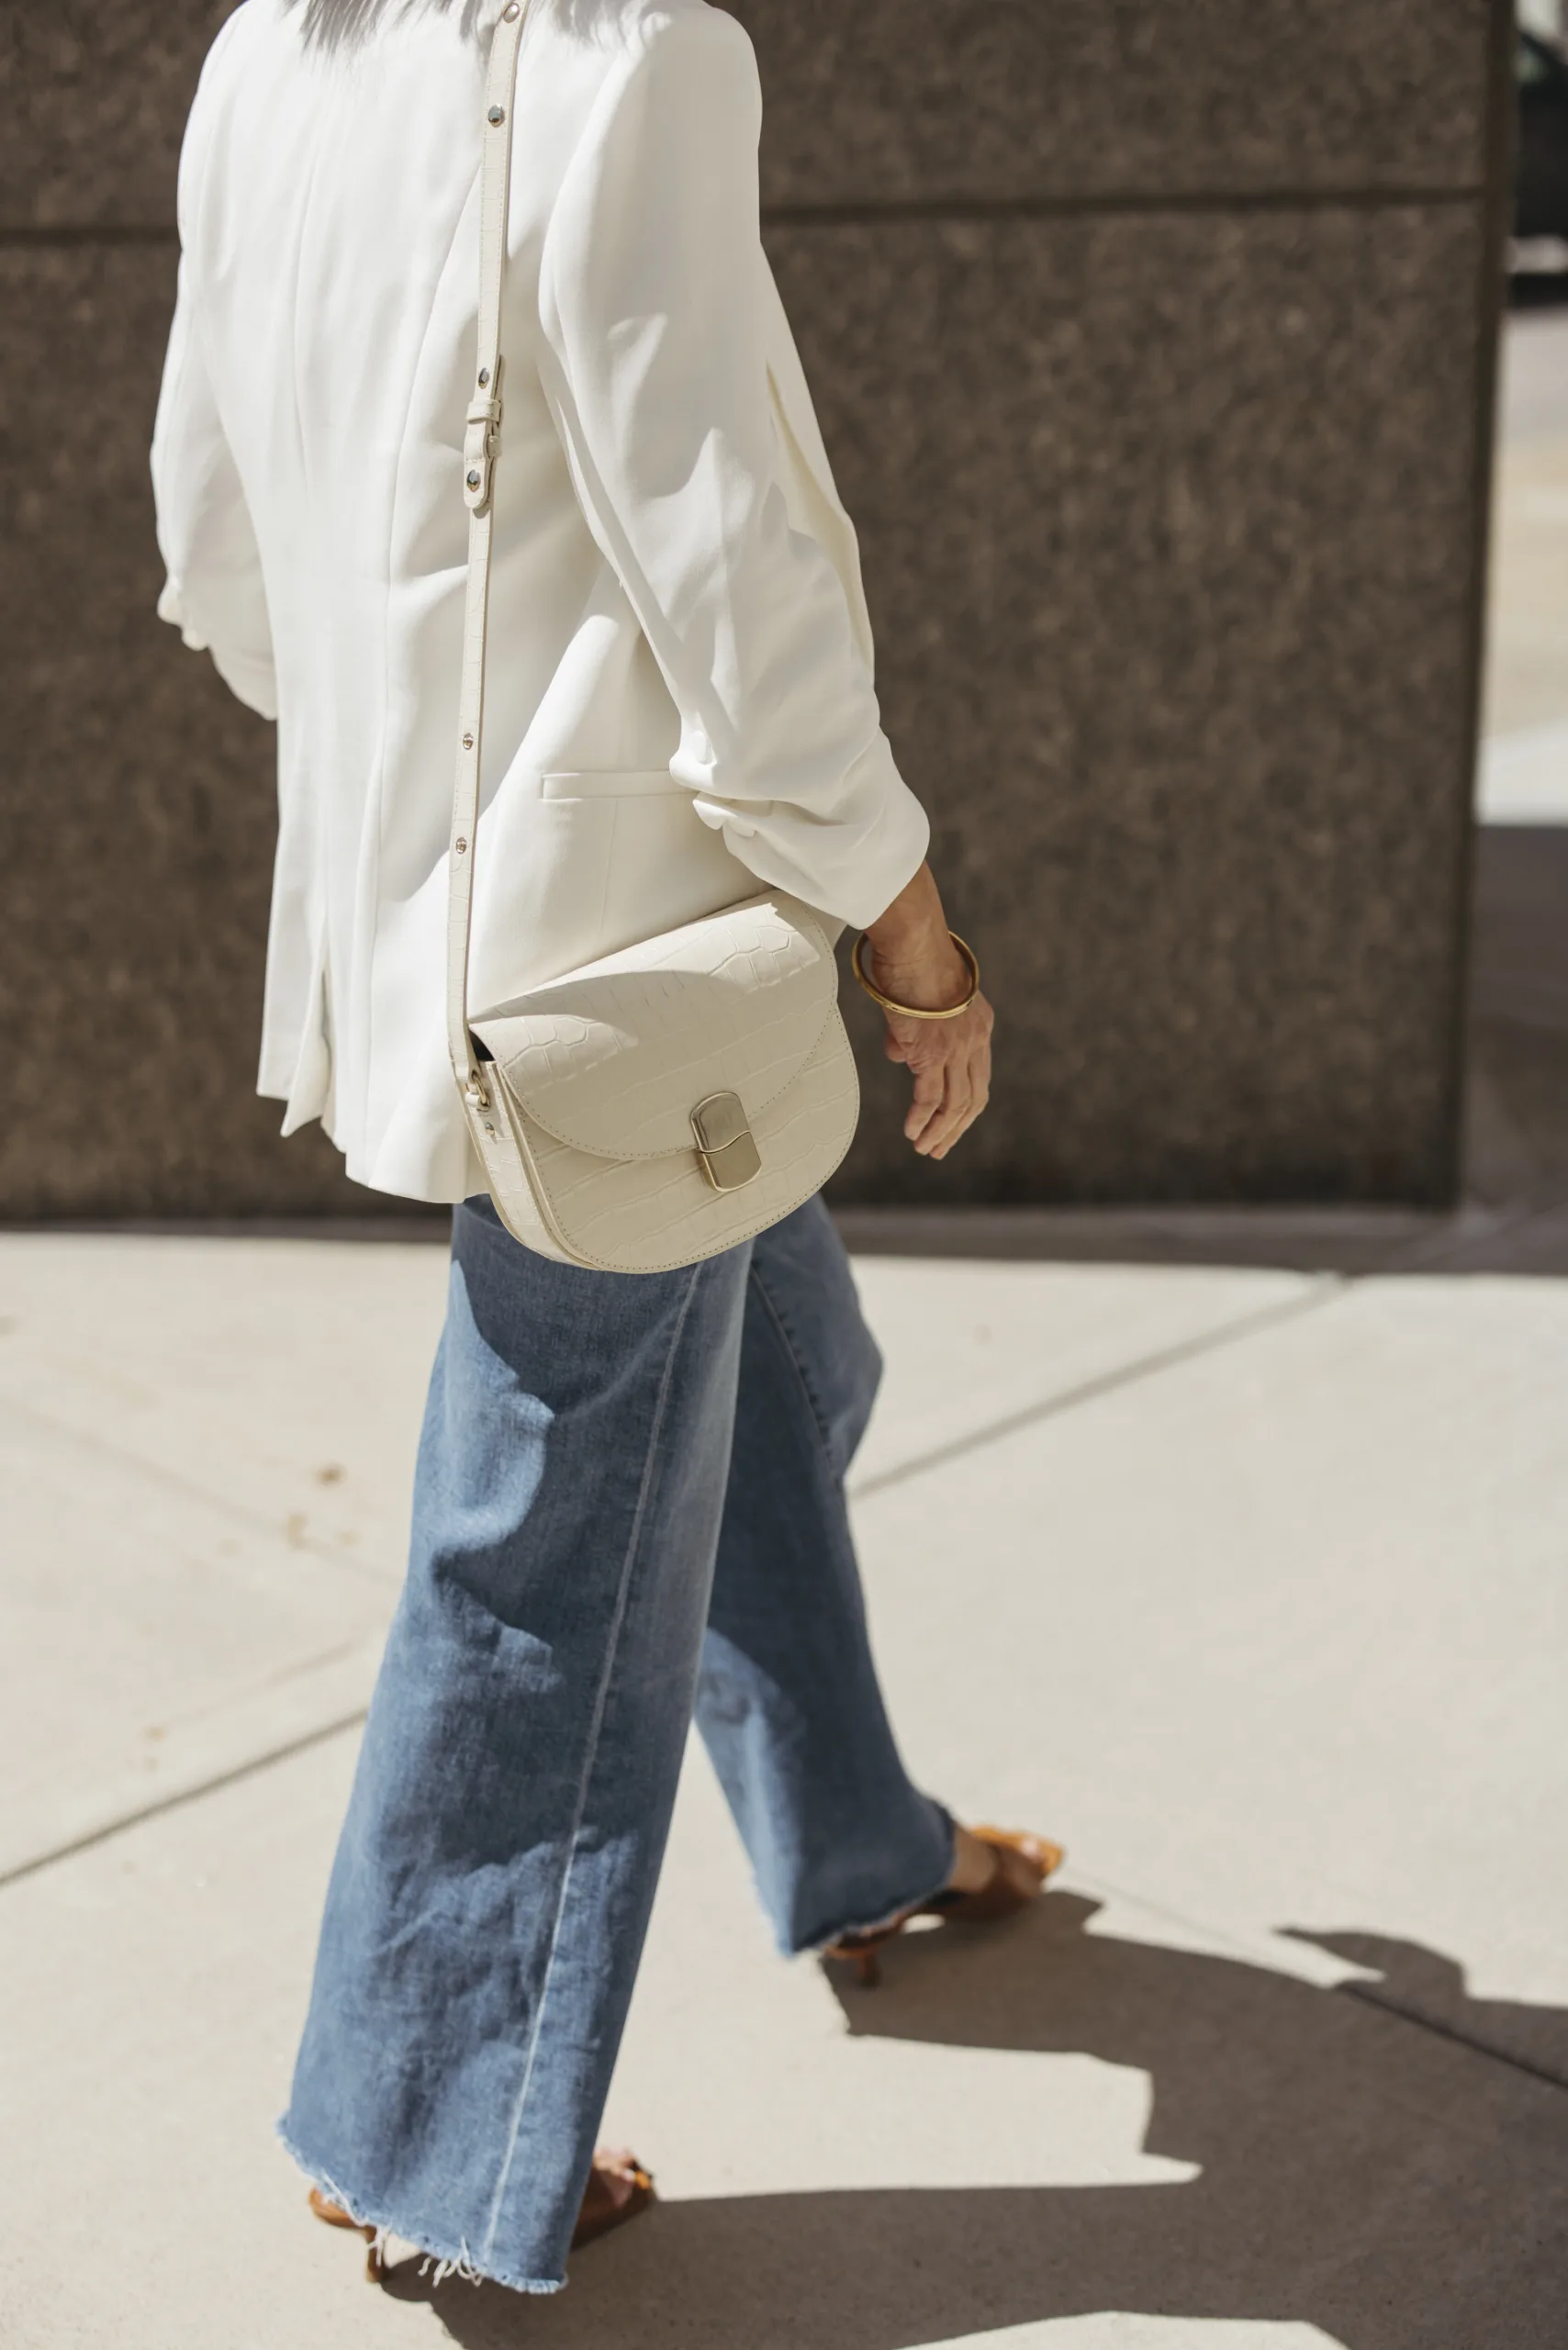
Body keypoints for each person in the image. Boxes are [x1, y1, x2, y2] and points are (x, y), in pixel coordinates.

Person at [151, 0, 1059, 2297]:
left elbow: (215, 520)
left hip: (465, 914)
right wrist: (906, 913)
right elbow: (722, 536)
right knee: (545, 1527)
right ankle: (421, 2123)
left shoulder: (271, 45)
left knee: (776, 1370)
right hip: (612, 955)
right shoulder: (635, 46)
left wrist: (407, 749)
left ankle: (849, 1835)